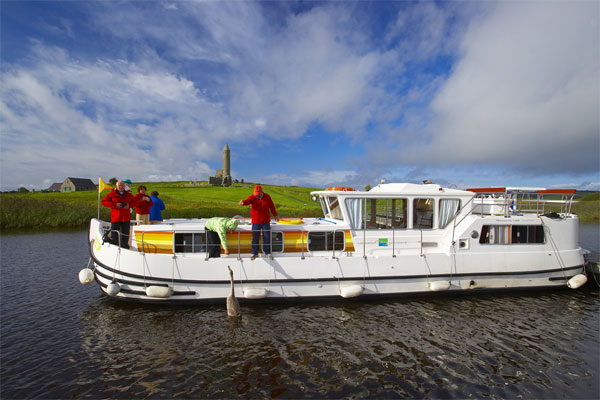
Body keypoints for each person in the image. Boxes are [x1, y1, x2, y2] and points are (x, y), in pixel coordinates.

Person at [238, 185, 278, 260]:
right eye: (255, 194)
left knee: (267, 237)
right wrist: (242, 202)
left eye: (258, 194)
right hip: (256, 222)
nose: (256, 195)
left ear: (261, 192)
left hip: (265, 221)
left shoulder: (267, 197)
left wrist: (275, 215)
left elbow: (272, 206)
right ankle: (254, 253)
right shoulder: (252, 197)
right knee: (255, 238)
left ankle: (267, 252)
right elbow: (247, 201)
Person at [101, 180, 137, 248]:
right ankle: (115, 247)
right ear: (116, 186)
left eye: (122, 185)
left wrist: (129, 205)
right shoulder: (112, 194)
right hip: (116, 218)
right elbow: (104, 201)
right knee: (114, 234)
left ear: (124, 186)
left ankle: (125, 246)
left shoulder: (128, 194)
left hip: (125, 218)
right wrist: (115, 205)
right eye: (119, 185)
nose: (121, 187)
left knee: (126, 234)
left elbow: (135, 202)